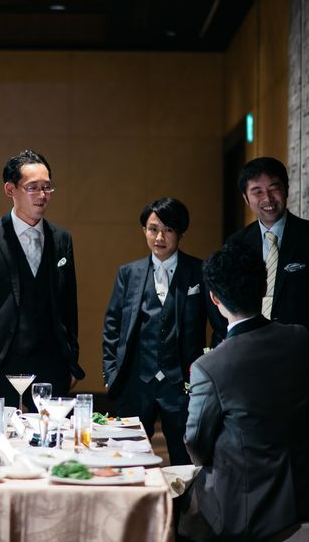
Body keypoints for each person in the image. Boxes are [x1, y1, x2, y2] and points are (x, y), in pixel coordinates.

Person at [178, 241, 309, 541]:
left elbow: (196, 443)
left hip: (245, 508)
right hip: (299, 493)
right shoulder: (300, 338)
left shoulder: (210, 366)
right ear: (264, 286)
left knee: (178, 514)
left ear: (214, 298)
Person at [0, 149, 85, 410]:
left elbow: (69, 305)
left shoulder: (61, 239)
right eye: (33, 187)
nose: (42, 195)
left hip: (51, 362)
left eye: (47, 187)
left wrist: (72, 360)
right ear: (10, 189)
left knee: (50, 433)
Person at [103, 198, 223, 465]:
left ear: (180, 233)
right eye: (153, 229)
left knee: (186, 461)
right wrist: (110, 373)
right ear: (144, 230)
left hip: (182, 386)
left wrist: (208, 367)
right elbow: (112, 326)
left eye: (168, 230)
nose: (159, 237)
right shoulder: (128, 273)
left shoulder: (199, 271)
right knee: (129, 459)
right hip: (136, 383)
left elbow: (220, 324)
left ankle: (182, 496)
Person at [228, 156, 309, 330]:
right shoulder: (236, 243)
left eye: (274, 188)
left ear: (286, 190)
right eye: (257, 192)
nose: (268, 198)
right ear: (246, 198)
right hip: (251, 340)